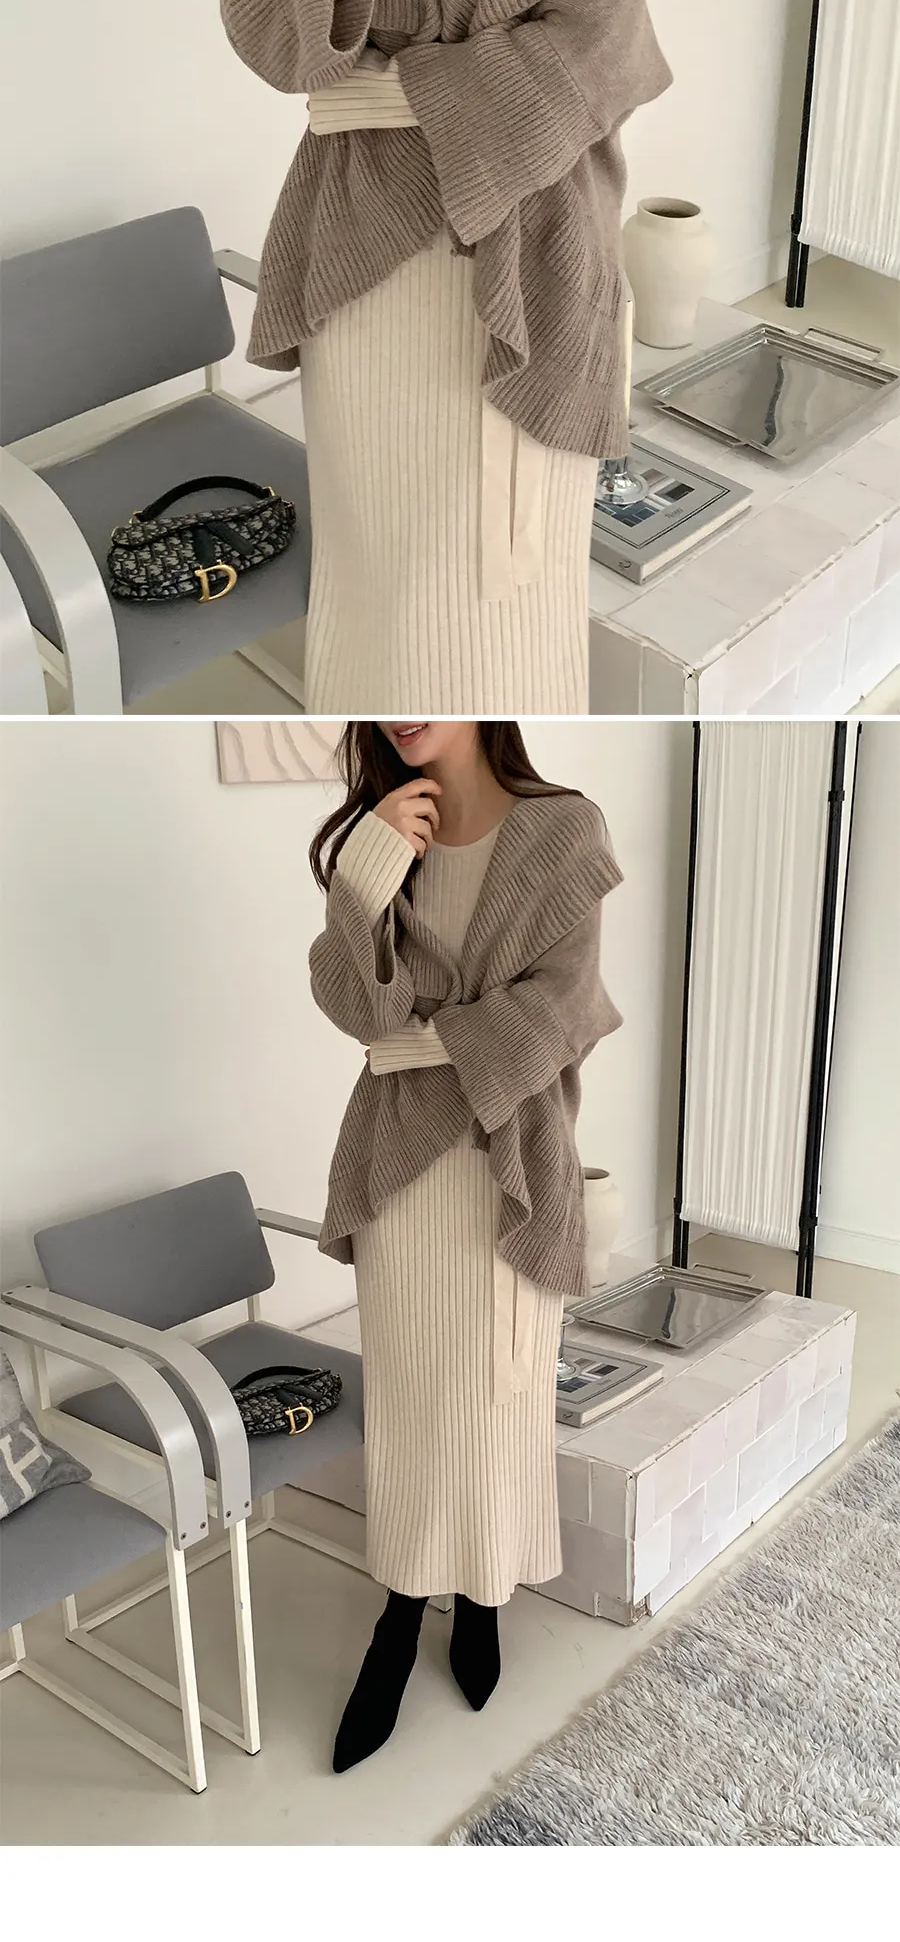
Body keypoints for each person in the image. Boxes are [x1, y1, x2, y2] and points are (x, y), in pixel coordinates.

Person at [220, 0, 686, 713]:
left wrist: (378, 96)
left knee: (496, 628)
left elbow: (592, 60)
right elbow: (275, 41)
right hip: (361, 284)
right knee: (375, 618)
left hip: (523, 278)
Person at [308, 714, 622, 1769]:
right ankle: (400, 1617)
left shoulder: (563, 829)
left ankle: (483, 1597)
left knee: (498, 1397)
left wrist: (429, 1041)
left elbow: (563, 1009)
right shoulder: (380, 831)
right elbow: (360, 1014)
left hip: (510, 1172)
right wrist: (359, 888)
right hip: (401, 1171)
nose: (402, 705)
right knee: (412, 1404)